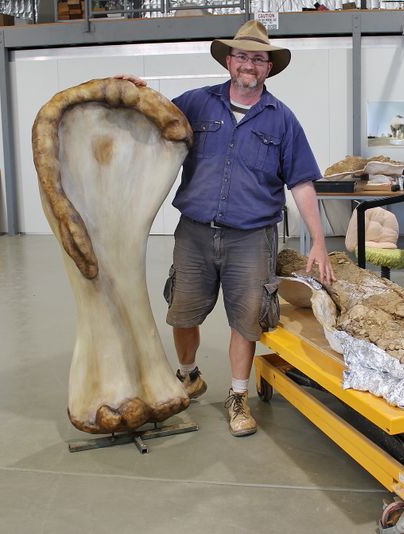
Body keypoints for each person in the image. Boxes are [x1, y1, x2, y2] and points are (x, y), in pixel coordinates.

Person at [117, 20, 335, 437]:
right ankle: (188, 374)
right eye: (242, 56)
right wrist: (135, 92)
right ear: (229, 61)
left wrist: (319, 242)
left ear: (268, 67)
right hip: (195, 233)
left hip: (252, 237)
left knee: (246, 319)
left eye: (258, 58)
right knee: (182, 312)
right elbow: (153, 118)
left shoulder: (282, 120)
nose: (249, 64)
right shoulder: (196, 104)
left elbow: (302, 182)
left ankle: (238, 395)